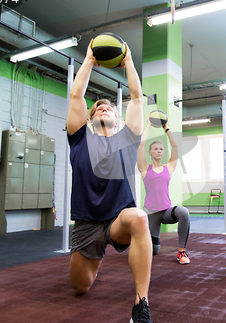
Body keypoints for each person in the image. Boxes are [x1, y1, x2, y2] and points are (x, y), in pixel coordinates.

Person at [66, 40, 153, 322]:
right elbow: (76, 97)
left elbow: (138, 99)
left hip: (119, 219)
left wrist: (128, 62)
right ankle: (95, 258)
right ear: (90, 120)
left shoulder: (127, 140)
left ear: (118, 119)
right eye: (98, 109)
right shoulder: (79, 139)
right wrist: (89, 59)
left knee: (139, 217)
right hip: (87, 223)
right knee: (80, 288)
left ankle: (141, 304)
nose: (103, 109)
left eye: (109, 109)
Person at [137, 114, 191, 264]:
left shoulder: (169, 167)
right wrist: (148, 125)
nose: (159, 151)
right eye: (155, 149)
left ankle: (181, 252)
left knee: (183, 212)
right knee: (153, 251)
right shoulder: (144, 168)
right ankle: (143, 241)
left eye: (161, 149)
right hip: (151, 213)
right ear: (150, 152)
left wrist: (166, 128)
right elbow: (140, 145)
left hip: (166, 211)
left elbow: (175, 146)